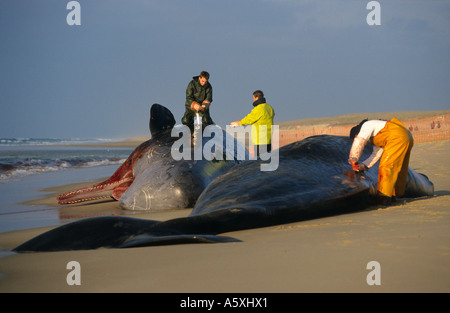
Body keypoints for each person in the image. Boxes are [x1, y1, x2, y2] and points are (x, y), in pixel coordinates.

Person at [348, 118, 414, 206]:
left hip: (397, 137)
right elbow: (376, 155)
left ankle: (384, 198)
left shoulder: (366, 125)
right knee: (398, 168)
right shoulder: (379, 133)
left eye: (355, 137)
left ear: (357, 133)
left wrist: (353, 159)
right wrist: (363, 166)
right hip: (406, 136)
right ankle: (393, 195)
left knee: (386, 167)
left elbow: (359, 141)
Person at [230, 90, 275, 158]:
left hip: (260, 140)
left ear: (256, 98)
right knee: (267, 160)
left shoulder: (259, 109)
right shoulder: (269, 108)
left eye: (253, 98)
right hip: (268, 139)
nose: (253, 100)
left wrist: (238, 123)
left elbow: (249, 119)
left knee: (260, 162)